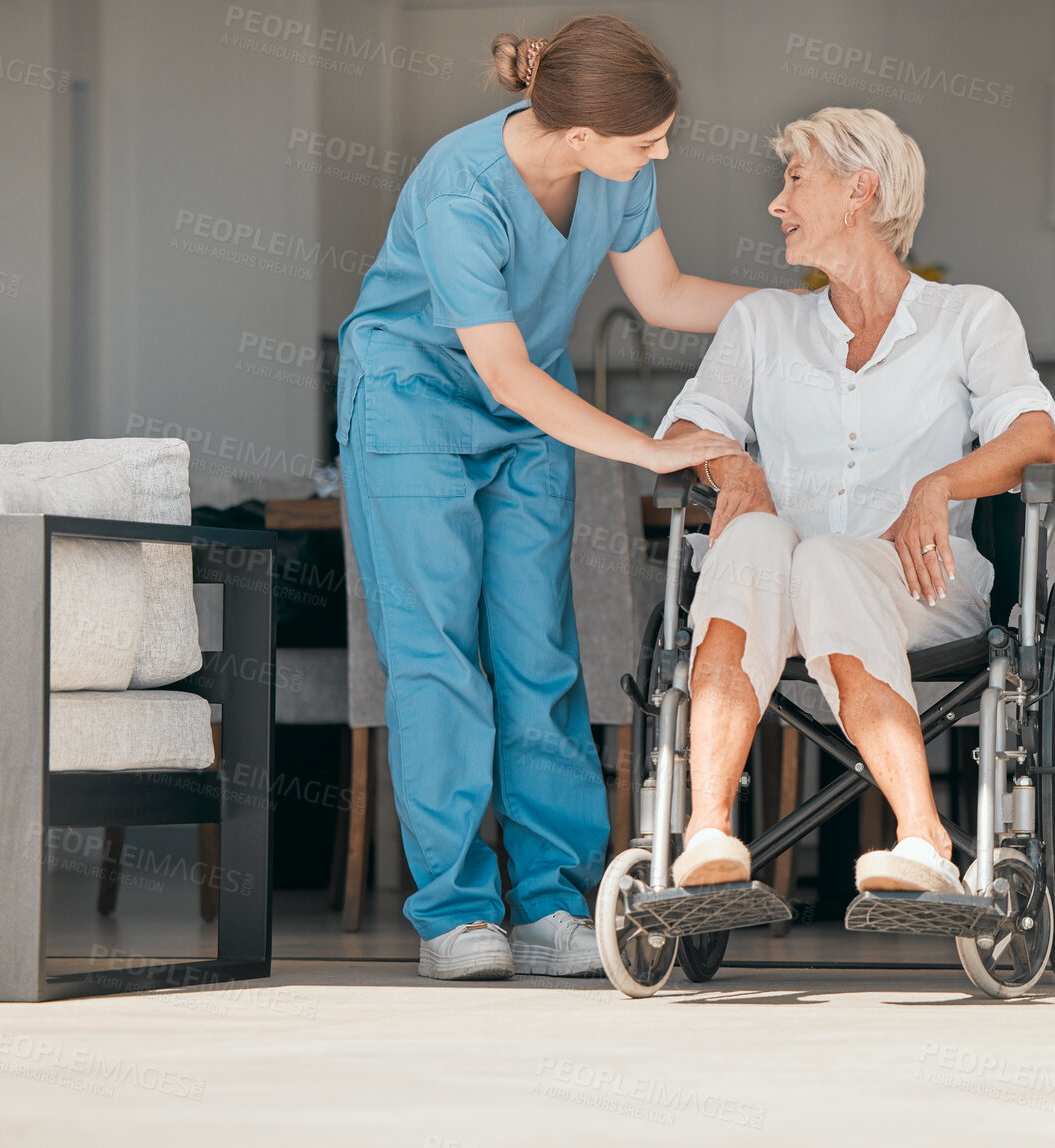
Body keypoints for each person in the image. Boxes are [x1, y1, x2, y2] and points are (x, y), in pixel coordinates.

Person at [336, 15, 757, 980]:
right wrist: (650, 452)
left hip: (530, 410)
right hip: (414, 403)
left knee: (541, 656)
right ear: (576, 136)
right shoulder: (459, 188)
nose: (660, 152)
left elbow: (663, 294)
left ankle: (553, 905)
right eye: (646, 140)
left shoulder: (618, 172)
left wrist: (801, 303)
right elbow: (504, 371)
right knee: (438, 656)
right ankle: (454, 915)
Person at [654, 107, 1055, 895]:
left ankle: (922, 841)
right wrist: (732, 468)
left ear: (859, 191)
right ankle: (707, 834)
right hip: (768, 592)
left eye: (795, 179)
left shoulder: (968, 316)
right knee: (751, 541)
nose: (776, 203)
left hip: (918, 589)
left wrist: (937, 483)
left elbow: (1033, 433)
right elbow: (686, 428)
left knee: (834, 561)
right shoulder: (762, 322)